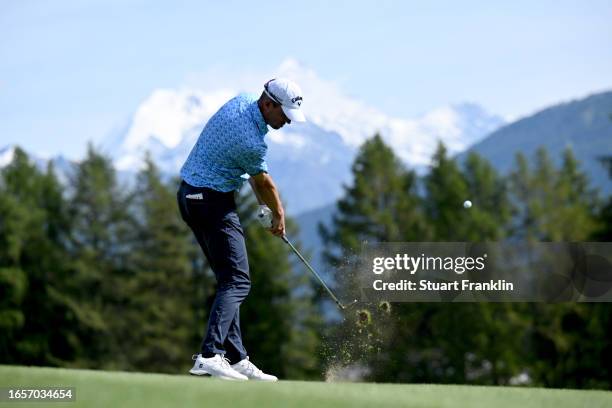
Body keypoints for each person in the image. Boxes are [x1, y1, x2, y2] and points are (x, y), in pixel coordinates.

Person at [177, 78, 305, 381]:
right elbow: (263, 182)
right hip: (211, 201)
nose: (286, 121)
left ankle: (235, 358)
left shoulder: (243, 100)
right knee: (237, 280)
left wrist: (267, 211)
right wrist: (279, 214)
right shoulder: (251, 141)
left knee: (228, 281)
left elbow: (251, 175)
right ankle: (210, 355)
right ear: (268, 104)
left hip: (190, 196)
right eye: (284, 114)